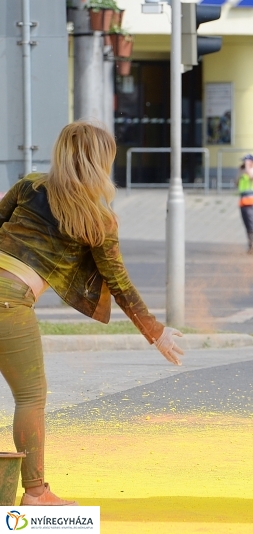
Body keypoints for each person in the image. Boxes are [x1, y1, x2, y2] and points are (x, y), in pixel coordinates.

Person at [0, 121, 184, 506]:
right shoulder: (97, 219)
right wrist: (157, 333)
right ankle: (35, 494)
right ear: (100, 163)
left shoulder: (30, 185)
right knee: (31, 396)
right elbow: (120, 285)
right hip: (7, 301)